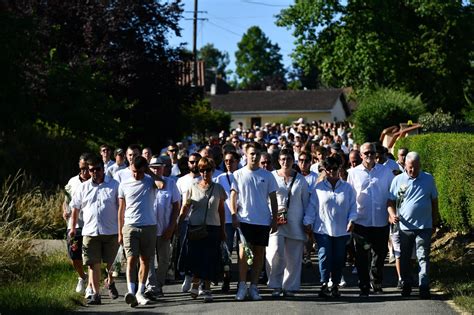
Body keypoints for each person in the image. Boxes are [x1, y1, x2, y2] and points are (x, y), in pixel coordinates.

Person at [230, 142, 279, 301]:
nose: (254, 156)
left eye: (257, 154)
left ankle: (254, 287)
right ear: (246, 154)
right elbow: (233, 196)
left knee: (259, 254)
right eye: (251, 153)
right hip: (244, 220)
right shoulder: (238, 174)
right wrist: (233, 214)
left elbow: (273, 199)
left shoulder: (268, 175)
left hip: (263, 221)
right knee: (243, 254)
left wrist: (274, 219)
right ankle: (242, 286)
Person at [69, 155, 120, 305]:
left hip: (111, 231)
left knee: (113, 265)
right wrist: (72, 227)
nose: (94, 172)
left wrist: (122, 227)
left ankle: (110, 282)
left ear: (103, 169)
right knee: (93, 263)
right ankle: (96, 295)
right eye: (91, 170)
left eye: (98, 169)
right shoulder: (83, 187)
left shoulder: (115, 185)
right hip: (90, 231)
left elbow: (121, 208)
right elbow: (75, 208)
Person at [388, 152, 439, 299]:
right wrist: (392, 215)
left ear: (420, 165)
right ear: (405, 165)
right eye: (410, 168)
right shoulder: (398, 180)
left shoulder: (428, 179)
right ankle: (406, 284)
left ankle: (424, 286)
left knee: (423, 256)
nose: (413, 171)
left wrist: (435, 221)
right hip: (405, 228)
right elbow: (390, 202)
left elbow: (434, 201)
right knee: (404, 258)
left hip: (424, 226)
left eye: (416, 168)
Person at [347, 142, 394, 296]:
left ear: (376, 154)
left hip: (380, 220)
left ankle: (377, 281)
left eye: (371, 153)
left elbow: (391, 194)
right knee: (361, 255)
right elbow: (350, 197)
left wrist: (391, 213)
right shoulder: (353, 173)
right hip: (361, 221)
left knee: (379, 255)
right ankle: (364, 284)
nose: (369, 155)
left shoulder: (385, 171)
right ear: (361, 155)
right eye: (366, 153)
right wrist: (350, 219)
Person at [178, 157, 227, 303]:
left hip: (213, 228)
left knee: (209, 259)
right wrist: (179, 223)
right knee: (196, 258)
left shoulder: (218, 188)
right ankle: (195, 282)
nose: (205, 173)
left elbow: (221, 211)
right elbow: (185, 207)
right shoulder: (192, 187)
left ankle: (206, 288)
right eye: (202, 170)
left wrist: (223, 230)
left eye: (208, 170)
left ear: (212, 171)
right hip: (195, 228)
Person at [266, 149, 313, 297]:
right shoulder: (271, 177)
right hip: (276, 221)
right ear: (279, 161)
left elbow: (306, 202)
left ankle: (290, 287)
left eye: (288, 159)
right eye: (283, 159)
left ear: (293, 161)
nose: (285, 161)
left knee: (293, 256)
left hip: (295, 221)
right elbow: (266, 199)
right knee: (275, 252)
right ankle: (275, 285)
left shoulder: (301, 180)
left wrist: (307, 221)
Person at [118, 156, 163, 307]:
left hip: (149, 226)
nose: (135, 174)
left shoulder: (150, 181)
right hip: (130, 226)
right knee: (131, 259)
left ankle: (140, 292)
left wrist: (150, 172)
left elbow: (161, 184)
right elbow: (121, 209)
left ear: (144, 169)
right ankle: (131, 291)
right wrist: (119, 231)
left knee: (146, 260)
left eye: (138, 171)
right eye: (133, 171)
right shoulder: (124, 184)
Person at [311, 157, 357, 298]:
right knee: (324, 256)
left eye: (335, 168)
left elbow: (353, 207)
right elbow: (312, 207)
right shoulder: (318, 188)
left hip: (341, 229)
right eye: (329, 169)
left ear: (339, 169)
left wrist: (352, 220)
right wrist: (307, 221)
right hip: (322, 228)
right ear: (325, 170)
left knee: (338, 258)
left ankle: (335, 284)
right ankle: (324, 283)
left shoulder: (347, 188)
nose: (332, 171)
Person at [144, 156, 180, 300]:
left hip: (165, 228)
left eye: (159, 167)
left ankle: (158, 284)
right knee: (149, 259)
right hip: (149, 228)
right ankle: (151, 287)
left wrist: (172, 226)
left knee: (164, 260)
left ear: (164, 168)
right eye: (153, 167)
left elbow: (176, 206)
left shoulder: (171, 183)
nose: (156, 169)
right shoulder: (145, 183)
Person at [63, 153, 91, 294]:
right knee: (74, 255)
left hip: (91, 225)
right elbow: (66, 200)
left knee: (91, 257)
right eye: (82, 168)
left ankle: (91, 286)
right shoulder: (72, 181)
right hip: (74, 224)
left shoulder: (95, 181)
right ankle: (82, 276)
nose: (84, 172)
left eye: (86, 168)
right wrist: (64, 211)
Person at [176, 152, 202, 292]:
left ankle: (199, 281)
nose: (194, 164)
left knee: (200, 252)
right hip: (186, 220)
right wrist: (178, 222)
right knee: (186, 251)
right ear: (188, 164)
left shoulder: (206, 179)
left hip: (202, 221)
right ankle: (187, 276)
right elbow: (178, 203)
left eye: (197, 161)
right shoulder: (181, 181)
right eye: (192, 162)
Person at [215, 151, 240, 292]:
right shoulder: (220, 178)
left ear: (237, 161)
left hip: (243, 218)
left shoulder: (242, 175)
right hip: (227, 220)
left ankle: (243, 280)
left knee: (244, 251)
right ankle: (227, 278)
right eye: (226, 161)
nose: (229, 163)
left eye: (231, 160)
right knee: (227, 251)